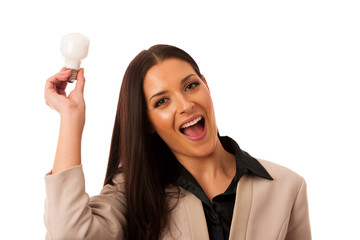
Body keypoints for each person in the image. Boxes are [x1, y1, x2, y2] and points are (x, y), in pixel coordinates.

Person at [44, 44, 311, 240]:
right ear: (147, 121)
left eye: (191, 86)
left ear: (206, 85)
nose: (185, 105)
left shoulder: (287, 186)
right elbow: (68, 234)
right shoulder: (134, 192)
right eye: (161, 101)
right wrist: (71, 117)